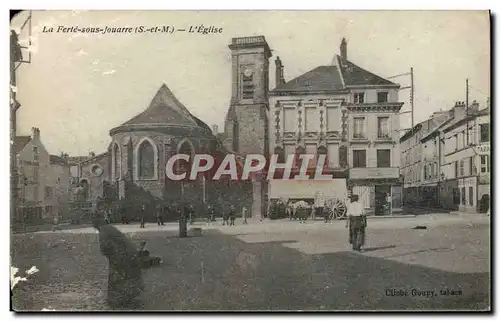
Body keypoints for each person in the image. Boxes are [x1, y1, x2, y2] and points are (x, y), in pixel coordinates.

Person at [93, 214, 144, 310]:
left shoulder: (103, 231)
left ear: (97, 225)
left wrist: (109, 255)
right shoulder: (109, 228)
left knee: (117, 278)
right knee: (126, 276)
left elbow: (105, 248)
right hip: (129, 254)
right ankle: (126, 298)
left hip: (123, 256)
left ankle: (119, 300)